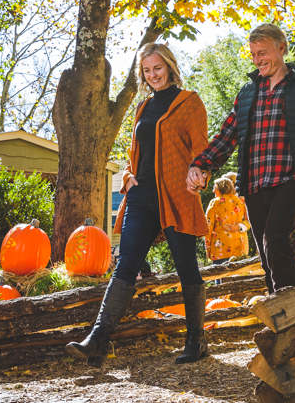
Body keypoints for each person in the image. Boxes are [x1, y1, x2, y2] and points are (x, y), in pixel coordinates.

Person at [67, 43, 210, 367]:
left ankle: (196, 341)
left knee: (186, 265)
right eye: (146, 71)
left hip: (176, 196)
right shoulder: (143, 108)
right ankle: (97, 341)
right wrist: (128, 175)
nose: (152, 75)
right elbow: (135, 154)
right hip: (142, 196)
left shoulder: (189, 102)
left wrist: (199, 171)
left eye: (157, 68)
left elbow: (202, 148)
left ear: (170, 67)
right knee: (127, 263)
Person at [187, 24, 295, 294]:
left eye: (263, 53)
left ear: (281, 48)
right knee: (265, 250)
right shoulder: (248, 94)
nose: (257, 60)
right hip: (254, 183)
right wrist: (201, 164)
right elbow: (226, 137)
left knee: (275, 238)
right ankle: (278, 309)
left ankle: (290, 310)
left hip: (291, 179)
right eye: (253, 54)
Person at [204, 173, 251, 264]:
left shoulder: (214, 202)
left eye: (215, 187)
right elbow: (250, 220)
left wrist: (208, 248)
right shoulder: (241, 202)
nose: (213, 190)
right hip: (239, 247)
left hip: (220, 249)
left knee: (220, 276)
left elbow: (208, 227)